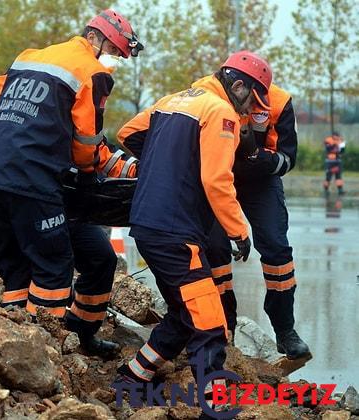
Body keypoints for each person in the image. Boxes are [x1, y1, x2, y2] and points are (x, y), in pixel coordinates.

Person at [0, 9, 143, 356]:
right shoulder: (89, 71)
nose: (112, 62)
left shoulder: (31, 57)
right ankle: (39, 352)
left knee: (34, 264)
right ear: (94, 38)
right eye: (113, 52)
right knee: (53, 267)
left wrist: (17, 129)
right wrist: (89, 169)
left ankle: (76, 336)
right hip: (32, 180)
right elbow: (86, 143)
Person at [114, 51, 272, 387]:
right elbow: (217, 180)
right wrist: (239, 231)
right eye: (251, 103)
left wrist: (165, 161)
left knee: (184, 317)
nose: (248, 112)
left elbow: (127, 134)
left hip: (148, 226)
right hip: (175, 234)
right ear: (239, 85)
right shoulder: (221, 112)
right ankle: (214, 405)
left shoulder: (173, 100)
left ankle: (132, 377)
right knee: (210, 324)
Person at [205, 79, 310, 360]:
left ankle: (285, 330)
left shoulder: (279, 101)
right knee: (214, 250)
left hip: (261, 180)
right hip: (216, 175)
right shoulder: (208, 90)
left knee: (277, 248)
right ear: (235, 85)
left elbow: (287, 158)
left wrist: (257, 157)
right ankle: (223, 330)